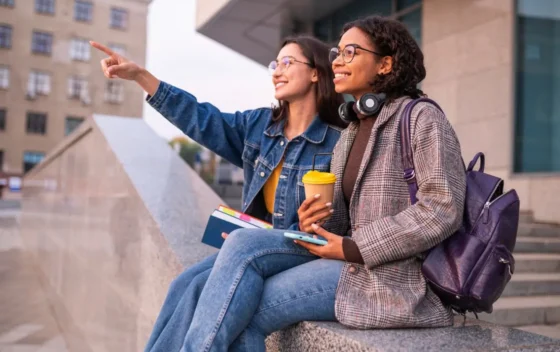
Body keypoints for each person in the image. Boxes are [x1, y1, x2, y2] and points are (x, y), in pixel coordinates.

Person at [161, 15, 467, 352]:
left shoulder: (422, 117)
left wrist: (354, 247)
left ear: (385, 64)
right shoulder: (352, 130)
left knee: (241, 282)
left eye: (351, 52)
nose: (337, 60)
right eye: (338, 52)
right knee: (238, 264)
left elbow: (442, 209)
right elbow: (342, 219)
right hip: (347, 262)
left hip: (390, 279)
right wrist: (316, 220)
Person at [91, 35, 345, 352]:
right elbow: (202, 119)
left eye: (286, 63)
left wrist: (312, 225)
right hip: (259, 245)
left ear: (315, 73)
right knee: (185, 283)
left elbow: (345, 218)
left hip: (304, 245)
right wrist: (142, 77)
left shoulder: (337, 142)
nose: (276, 71)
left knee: (209, 288)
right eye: (273, 64)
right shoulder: (261, 126)